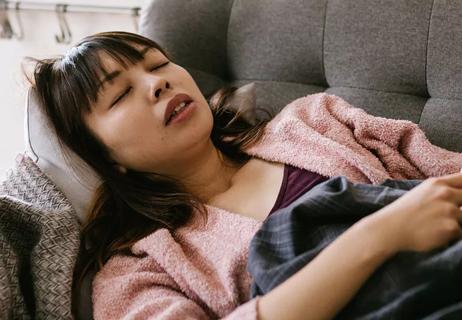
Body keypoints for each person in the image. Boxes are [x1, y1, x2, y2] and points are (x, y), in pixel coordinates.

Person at [26, 31, 462, 320]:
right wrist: (377, 237)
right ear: (105, 158)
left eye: (157, 65)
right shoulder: (139, 271)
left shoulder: (315, 121)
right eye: (120, 94)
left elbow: (446, 169)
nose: (156, 84)